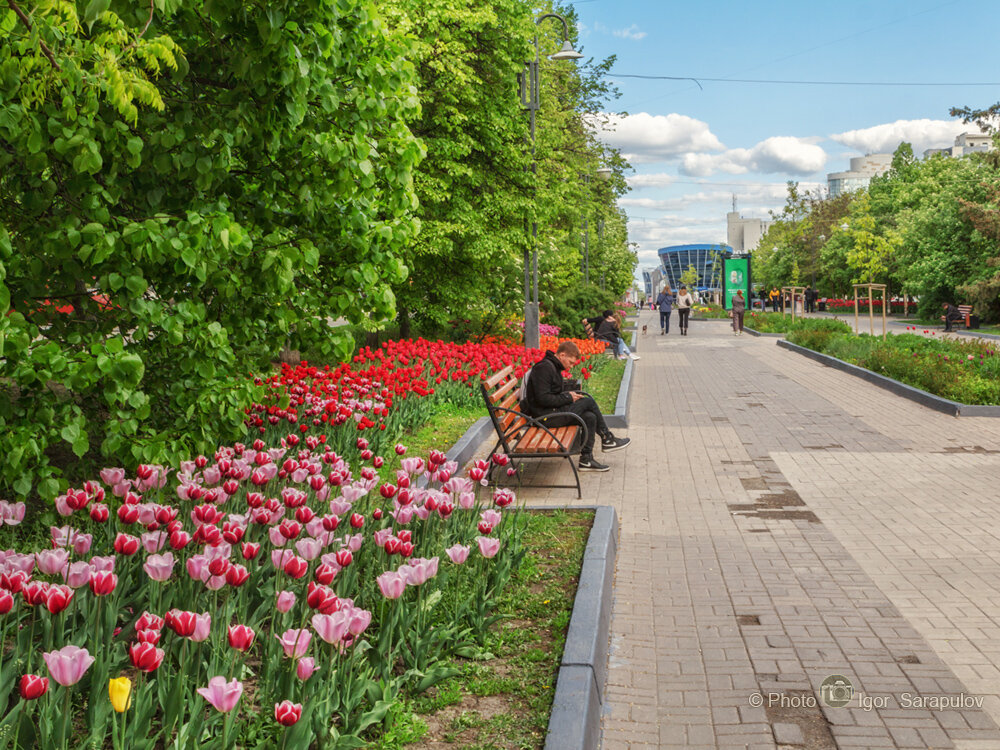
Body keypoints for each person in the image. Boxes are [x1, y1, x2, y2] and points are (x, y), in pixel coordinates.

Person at [520, 341, 631, 472]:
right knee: (588, 402)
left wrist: (569, 395)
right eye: (571, 362)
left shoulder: (552, 367)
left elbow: (551, 394)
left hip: (550, 412)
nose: (571, 366)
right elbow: (543, 398)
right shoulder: (544, 368)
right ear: (562, 355)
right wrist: (568, 398)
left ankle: (586, 460)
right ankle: (607, 438)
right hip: (543, 417)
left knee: (589, 417)